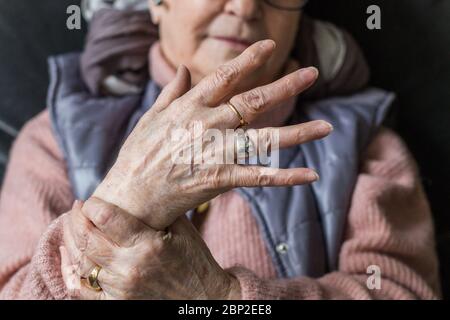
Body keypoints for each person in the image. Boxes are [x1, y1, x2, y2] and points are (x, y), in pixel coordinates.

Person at [0, 0, 440, 299]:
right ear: (157, 3)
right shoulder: (55, 138)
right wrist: (123, 204)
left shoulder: (365, 146)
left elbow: (402, 291)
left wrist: (221, 296)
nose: (246, 6)